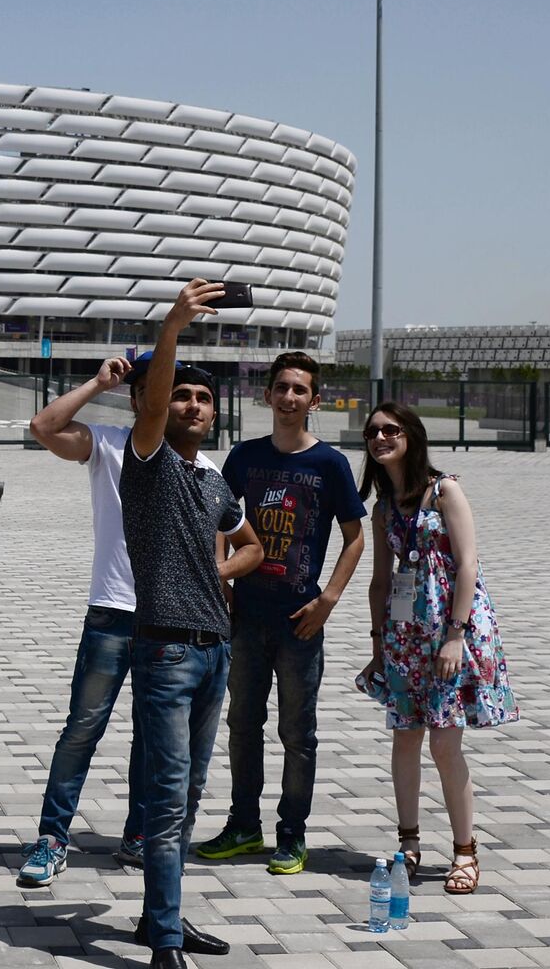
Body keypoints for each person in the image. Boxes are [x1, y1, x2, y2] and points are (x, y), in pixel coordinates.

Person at [18, 352, 223, 885]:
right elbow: (43, 427)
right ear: (140, 399)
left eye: (197, 397)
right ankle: (52, 837)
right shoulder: (108, 445)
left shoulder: (207, 469)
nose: (184, 404)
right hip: (114, 610)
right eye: (168, 391)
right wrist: (96, 382)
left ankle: (137, 836)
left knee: (153, 740)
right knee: (83, 728)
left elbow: (223, 546)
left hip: (172, 625)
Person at [121, 279, 266, 967]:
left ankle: (159, 920)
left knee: (190, 793)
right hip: (166, 655)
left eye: (204, 398)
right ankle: (167, 941)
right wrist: (172, 329)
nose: (192, 405)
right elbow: (151, 405)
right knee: (168, 799)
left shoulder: (212, 480)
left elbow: (254, 546)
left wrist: (218, 573)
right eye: (182, 394)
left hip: (214, 654)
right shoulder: (147, 463)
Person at [196, 352, 366, 875]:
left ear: (314, 401)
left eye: (300, 390)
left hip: (300, 621)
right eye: (281, 388)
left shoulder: (330, 464)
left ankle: (292, 834)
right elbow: (219, 526)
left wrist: (328, 599)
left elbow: (356, 537)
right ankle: (244, 825)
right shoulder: (243, 458)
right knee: (243, 724)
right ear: (266, 395)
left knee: (298, 732)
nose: (289, 397)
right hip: (245, 617)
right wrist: (222, 583)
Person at [357, 402, 518, 896]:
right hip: (404, 637)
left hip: (451, 632)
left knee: (445, 744)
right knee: (405, 739)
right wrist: (379, 643)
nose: (381, 438)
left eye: (391, 430)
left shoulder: (444, 489)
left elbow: (468, 564)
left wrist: (455, 634)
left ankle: (466, 851)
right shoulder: (384, 508)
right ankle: (408, 842)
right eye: (372, 433)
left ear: (411, 435)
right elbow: (380, 580)